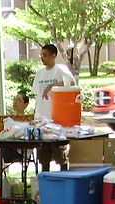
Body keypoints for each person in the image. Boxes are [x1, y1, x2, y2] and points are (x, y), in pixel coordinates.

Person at [32, 43, 76, 171]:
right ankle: (45, 181)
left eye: (45, 55)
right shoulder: (40, 73)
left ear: (53, 56)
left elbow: (71, 82)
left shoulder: (60, 69)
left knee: (60, 155)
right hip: (42, 117)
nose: (42, 58)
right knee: (44, 157)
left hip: (57, 119)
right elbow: (37, 92)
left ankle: (64, 180)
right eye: (41, 55)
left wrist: (52, 86)